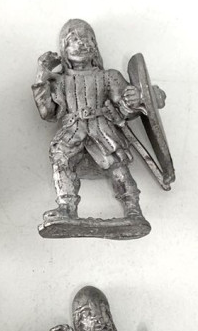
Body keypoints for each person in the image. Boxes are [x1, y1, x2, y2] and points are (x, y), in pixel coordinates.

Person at [32, 19, 151, 224]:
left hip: (102, 128)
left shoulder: (109, 77)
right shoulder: (59, 81)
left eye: (87, 39)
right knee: (60, 157)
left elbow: (125, 107)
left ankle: (133, 209)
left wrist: (132, 99)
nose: (81, 43)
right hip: (72, 130)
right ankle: (66, 206)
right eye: (73, 40)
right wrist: (42, 76)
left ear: (95, 46)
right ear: (64, 49)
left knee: (117, 165)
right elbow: (48, 113)